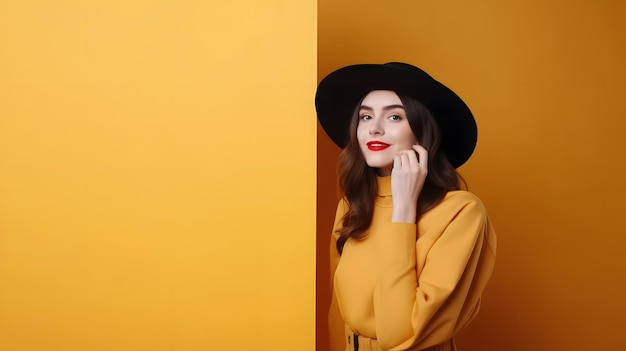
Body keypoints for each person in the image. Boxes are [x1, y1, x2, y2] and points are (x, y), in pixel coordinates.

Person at [315, 62, 497, 351]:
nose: (374, 128)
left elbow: (400, 334)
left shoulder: (461, 212)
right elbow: (338, 314)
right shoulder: (351, 207)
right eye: (365, 117)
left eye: (395, 117)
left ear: (422, 130)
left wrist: (403, 211)